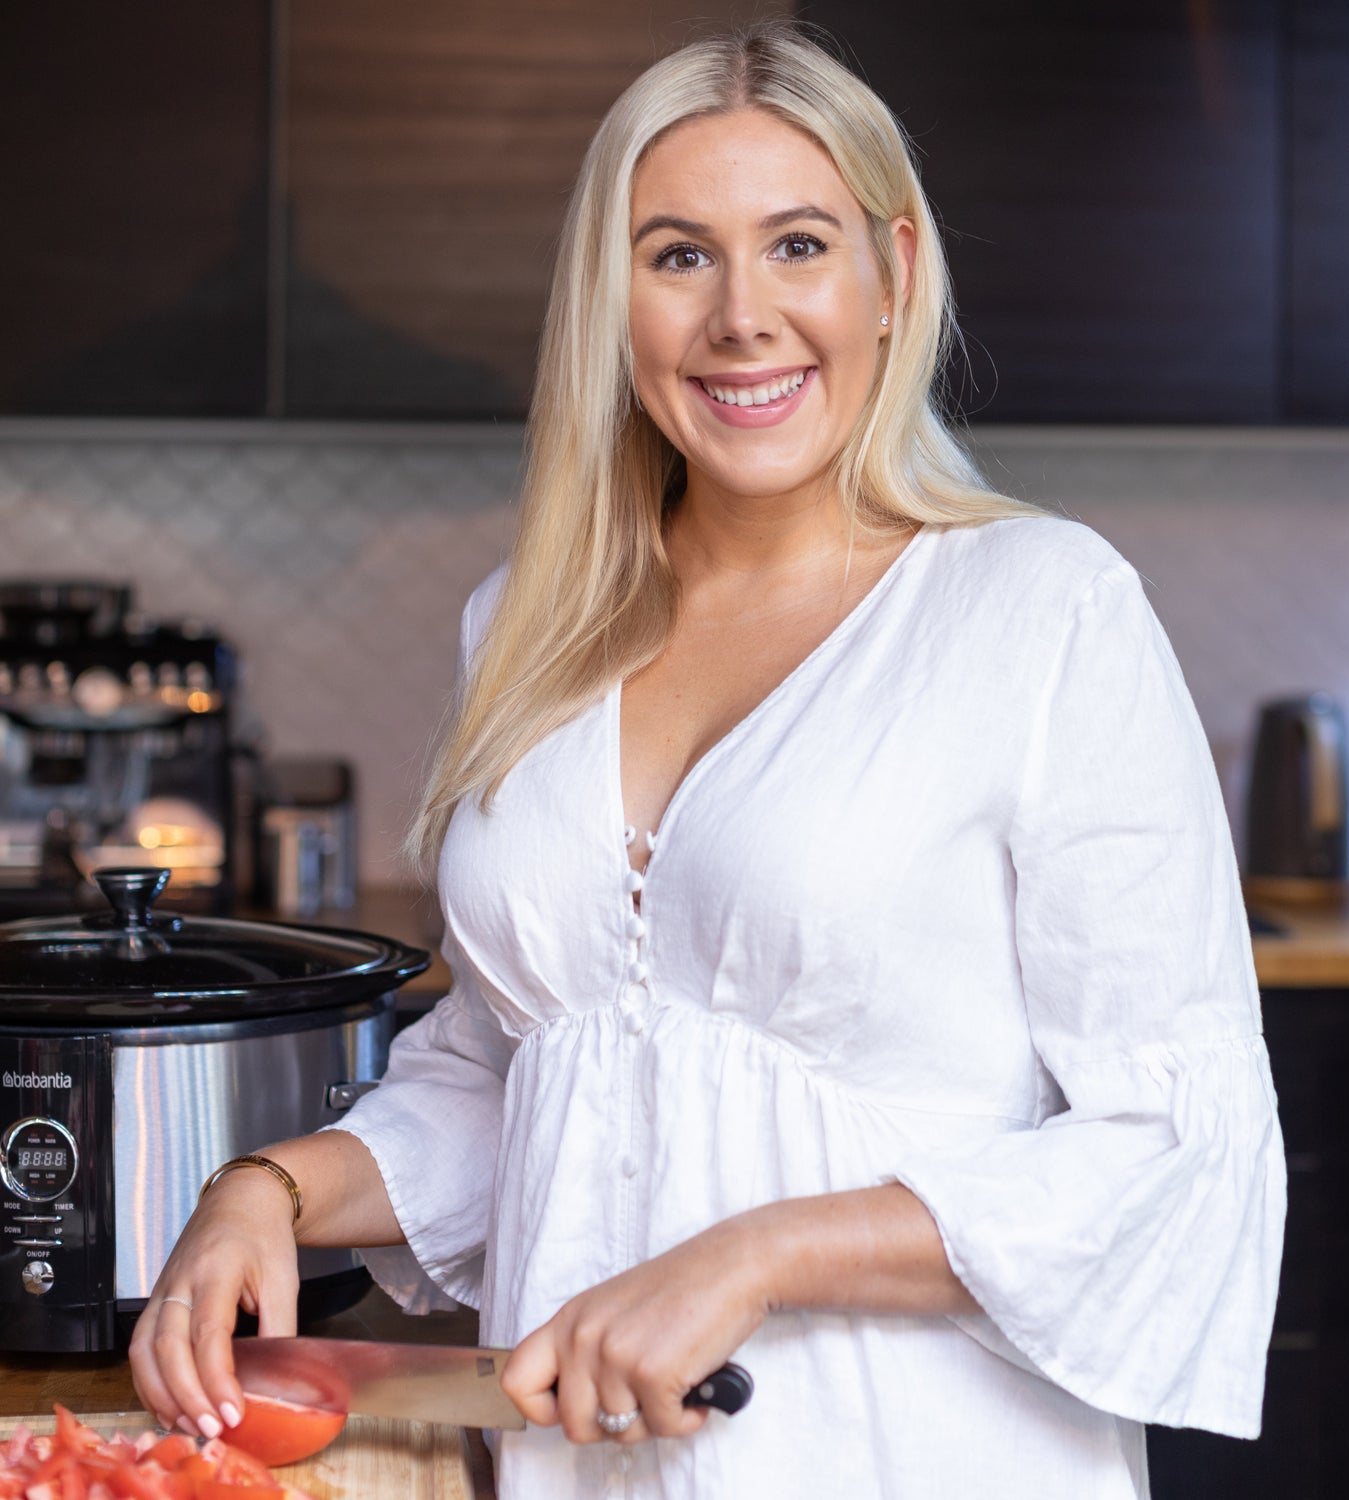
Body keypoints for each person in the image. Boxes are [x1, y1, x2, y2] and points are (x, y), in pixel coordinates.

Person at [130, 22, 1286, 1499]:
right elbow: (524, 1074)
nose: (743, 317)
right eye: (678, 256)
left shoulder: (1042, 611)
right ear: (610, 305)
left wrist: (760, 1254)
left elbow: (1178, 1145)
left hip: (918, 1458)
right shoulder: (525, 625)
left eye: (797, 245)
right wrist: (268, 1193)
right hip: (580, 1465)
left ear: (895, 276)